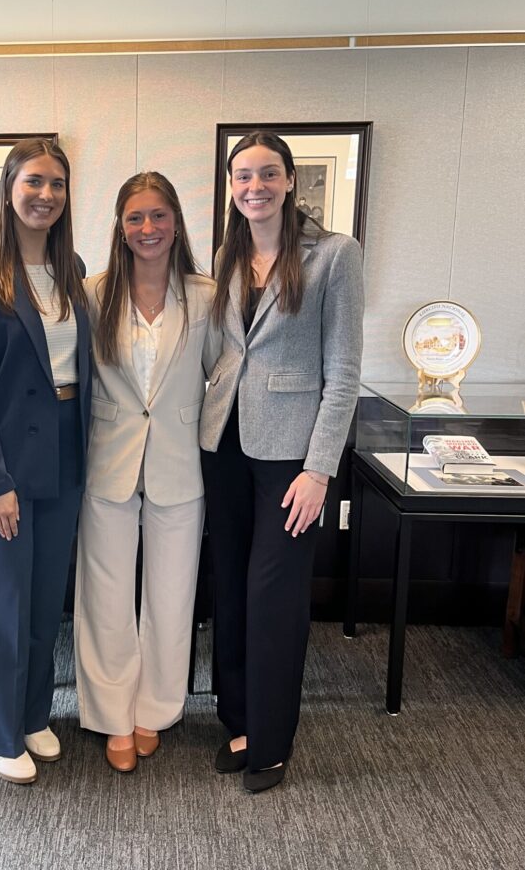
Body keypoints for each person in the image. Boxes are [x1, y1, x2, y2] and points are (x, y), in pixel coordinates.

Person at [199, 130, 363, 793]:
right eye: (242, 176)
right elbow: (222, 354)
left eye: (267, 174)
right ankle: (236, 721)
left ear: (291, 181)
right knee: (231, 588)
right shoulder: (227, 254)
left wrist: (318, 470)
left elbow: (344, 373)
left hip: (290, 460)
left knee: (274, 597)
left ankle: (270, 741)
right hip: (226, 447)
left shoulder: (334, 255)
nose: (253, 187)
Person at [0, 138, 91, 785]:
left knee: (44, 601)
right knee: (6, 602)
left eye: (56, 184)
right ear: (8, 190)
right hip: (7, 460)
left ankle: (34, 712)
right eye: (34, 181)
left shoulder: (72, 270)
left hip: (64, 452)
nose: (45, 195)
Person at [74, 172, 221, 772]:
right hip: (107, 461)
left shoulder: (207, 296)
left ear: (177, 222)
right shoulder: (91, 293)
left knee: (170, 592)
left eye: (158, 215)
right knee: (105, 595)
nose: (148, 229)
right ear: (120, 226)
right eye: (135, 217)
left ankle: (153, 710)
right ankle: (112, 715)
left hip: (180, 464)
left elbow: (221, 376)